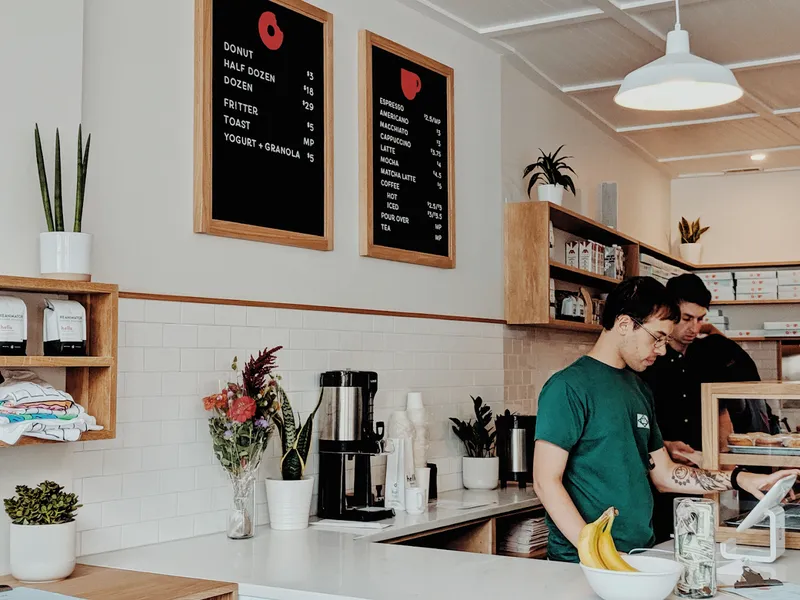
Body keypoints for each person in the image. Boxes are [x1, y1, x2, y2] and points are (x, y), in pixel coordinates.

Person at [532, 276, 798, 563]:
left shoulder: (638, 389)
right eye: (657, 338)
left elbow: (665, 474)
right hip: (582, 562)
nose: (660, 350)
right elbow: (546, 481)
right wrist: (597, 554)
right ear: (624, 324)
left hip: (639, 552)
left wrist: (741, 478)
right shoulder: (568, 387)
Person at [640, 273, 771, 542]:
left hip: (709, 478)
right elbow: (635, 426)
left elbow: (730, 407)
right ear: (669, 313)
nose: (694, 328)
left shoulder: (711, 353)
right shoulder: (648, 361)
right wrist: (665, 444)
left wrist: (727, 462)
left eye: (701, 319)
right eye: (687, 318)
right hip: (661, 478)